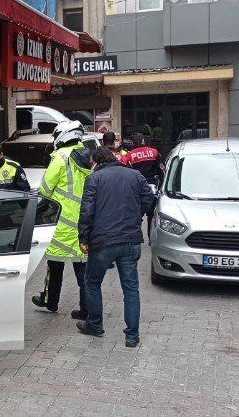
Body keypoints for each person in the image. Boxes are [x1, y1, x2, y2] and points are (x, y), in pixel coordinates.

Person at [76, 147, 155, 348]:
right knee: (131, 289)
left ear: (96, 160)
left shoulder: (94, 179)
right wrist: (136, 217)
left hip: (103, 242)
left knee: (92, 282)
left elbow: (87, 211)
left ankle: (94, 325)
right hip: (131, 240)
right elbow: (149, 201)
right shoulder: (135, 175)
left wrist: (83, 237)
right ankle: (132, 336)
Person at [31, 121, 94, 319]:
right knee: (83, 269)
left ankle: (51, 301)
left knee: (55, 265)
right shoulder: (89, 156)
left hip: (61, 223)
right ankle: (86, 309)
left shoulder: (60, 157)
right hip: (85, 223)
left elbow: (45, 189)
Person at [125, 134, 163, 237]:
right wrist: (161, 185)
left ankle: (135, 236)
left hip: (136, 188)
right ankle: (151, 237)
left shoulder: (129, 156)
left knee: (136, 215)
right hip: (152, 186)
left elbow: (126, 173)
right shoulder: (154, 152)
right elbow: (161, 171)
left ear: (133, 142)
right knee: (151, 215)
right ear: (143, 141)